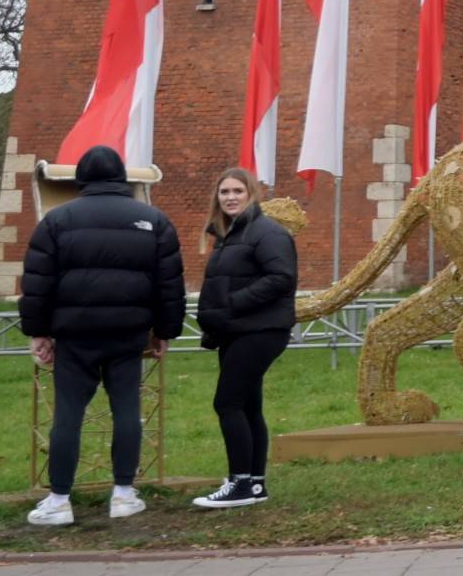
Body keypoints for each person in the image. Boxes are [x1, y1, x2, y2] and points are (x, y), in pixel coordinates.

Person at [18, 144, 186, 527]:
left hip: (74, 336)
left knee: (67, 416)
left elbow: (38, 284)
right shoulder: (154, 221)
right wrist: (165, 331)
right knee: (127, 410)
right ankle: (124, 494)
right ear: (121, 177)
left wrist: (38, 332)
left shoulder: (56, 221)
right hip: (129, 334)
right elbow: (169, 285)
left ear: (82, 179)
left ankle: (59, 500)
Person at [193, 167, 296, 509]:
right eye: (225, 192)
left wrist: (233, 304)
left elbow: (281, 277)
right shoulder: (228, 235)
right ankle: (254, 484)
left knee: (228, 403)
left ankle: (239, 482)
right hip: (237, 330)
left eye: (238, 191)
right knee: (249, 405)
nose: (231, 197)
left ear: (251, 194)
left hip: (260, 330)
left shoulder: (267, 232)